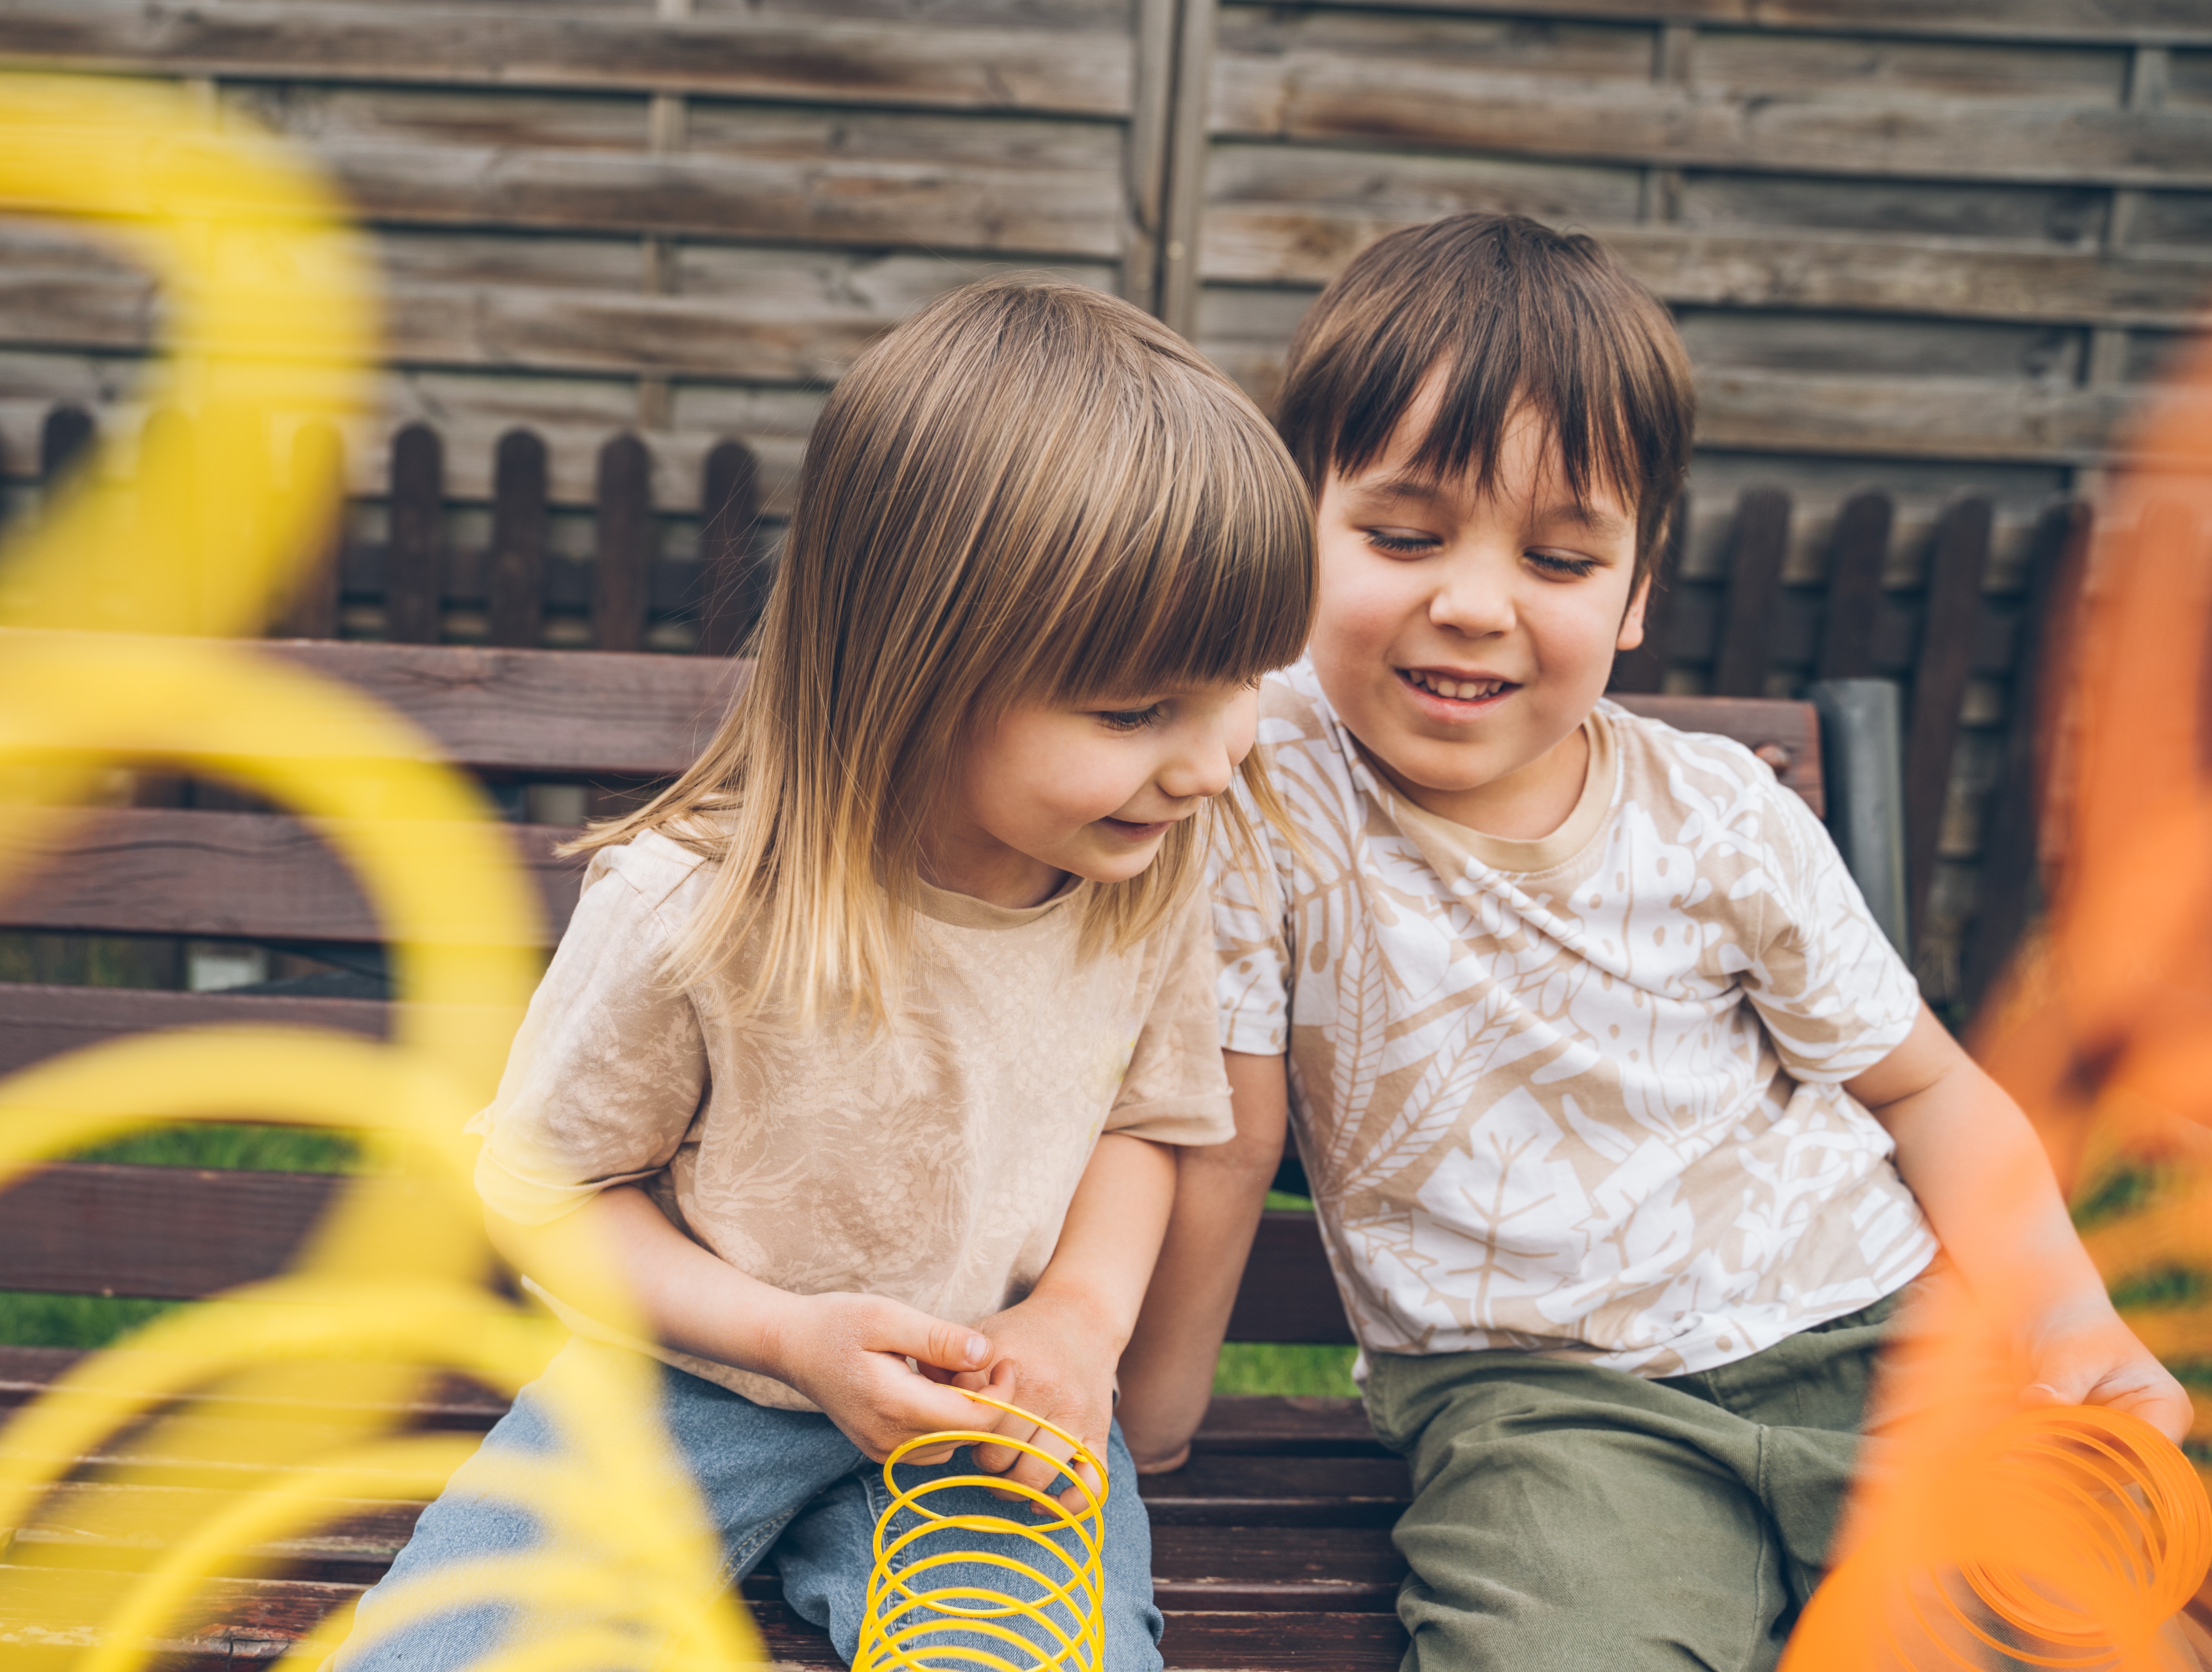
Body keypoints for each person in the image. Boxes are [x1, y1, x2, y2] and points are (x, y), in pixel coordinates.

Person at [1112, 213, 2188, 1672]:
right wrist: (1157, 1434)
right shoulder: (1259, 791)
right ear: (1294, 521)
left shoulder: (1717, 822)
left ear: (1635, 595)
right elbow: (1228, 1140)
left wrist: (2070, 1327)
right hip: (1548, 1412)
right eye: (1404, 533)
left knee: (2073, 1636)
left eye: (1557, 557)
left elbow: (1927, 1090)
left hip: (1879, 1346)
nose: (1473, 603)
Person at [345, 276, 1317, 1670]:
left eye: (1242, 689)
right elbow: (550, 1193)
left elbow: (1144, 1125)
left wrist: (1078, 1323)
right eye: (1138, 710)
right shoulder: (698, 905)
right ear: (920, 666)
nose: (1214, 760)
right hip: (695, 1379)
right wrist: (789, 1340)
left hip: (995, 1403)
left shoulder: (1146, 867)